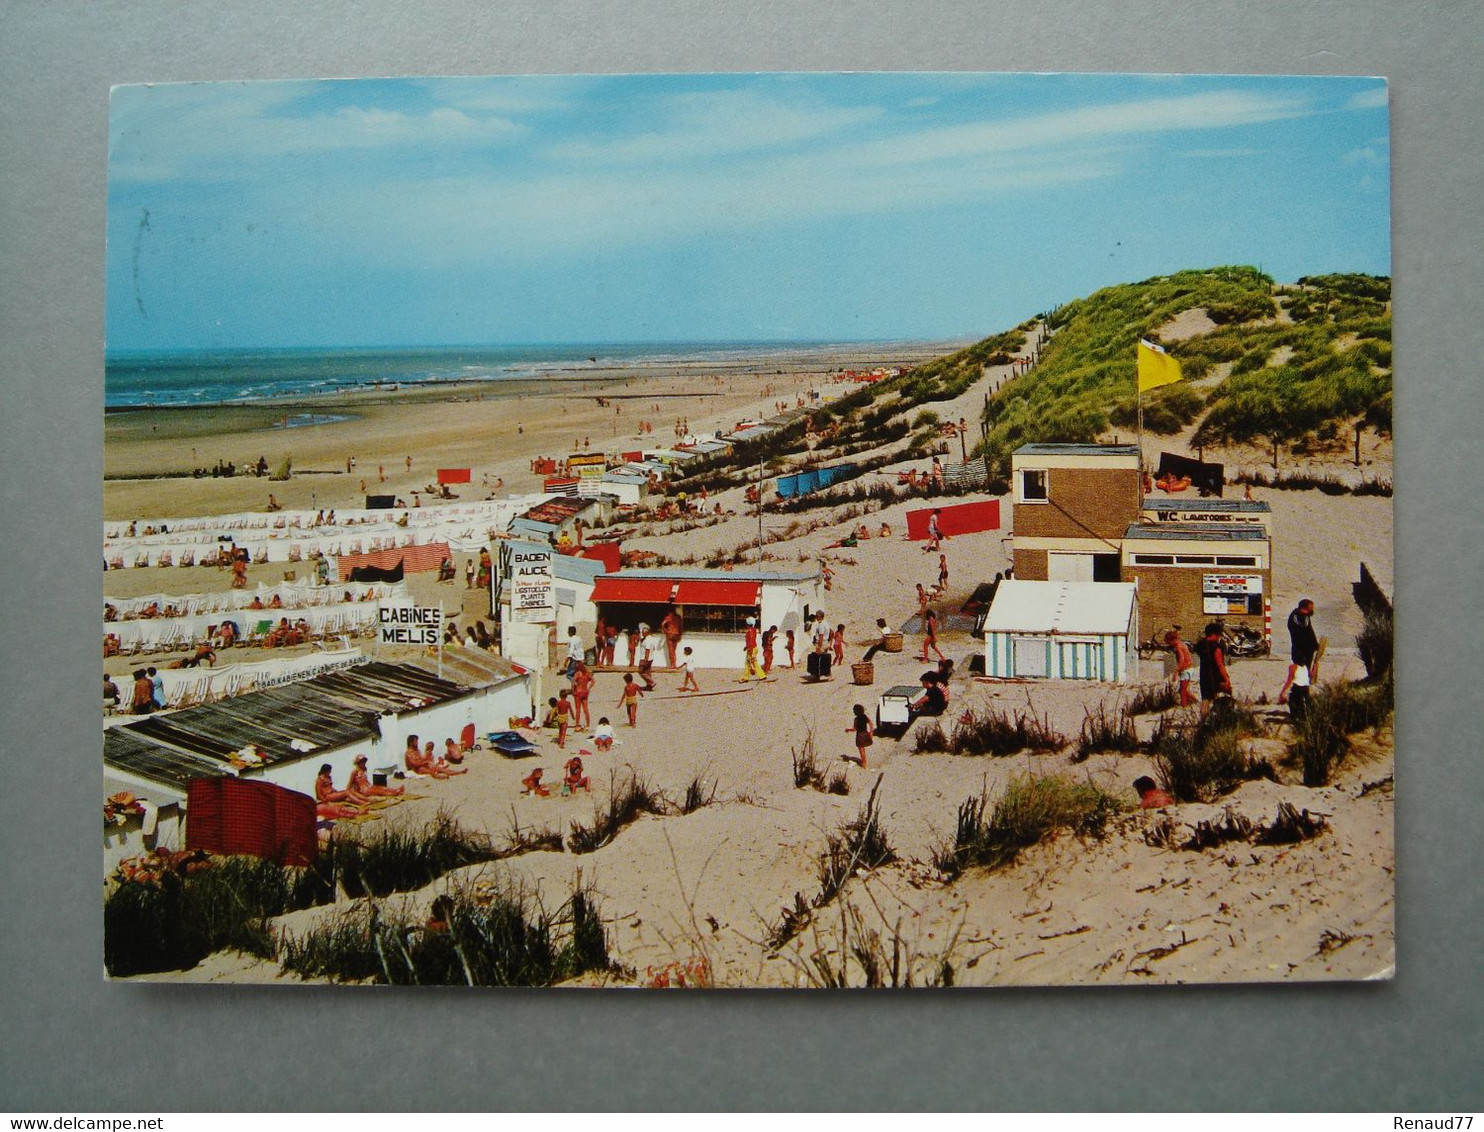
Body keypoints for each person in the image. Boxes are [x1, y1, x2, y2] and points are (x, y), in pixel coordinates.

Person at [1277, 599, 1319, 705]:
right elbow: (1301, 634)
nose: (1311, 612)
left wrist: (1315, 645)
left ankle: (1305, 697)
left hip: (1308, 651)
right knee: (1298, 676)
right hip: (1299, 652)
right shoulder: (1295, 617)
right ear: (1303, 608)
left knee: (1306, 676)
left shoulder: (1305, 617)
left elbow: (1309, 631)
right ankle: (1297, 699)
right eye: (1309, 609)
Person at [1192, 622, 1232, 716]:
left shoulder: (1201, 645)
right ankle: (1221, 718)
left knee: (1205, 700)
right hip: (1216, 676)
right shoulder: (1216, 648)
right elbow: (1220, 665)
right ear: (1214, 634)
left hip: (1204, 676)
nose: (1219, 637)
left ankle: (1204, 720)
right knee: (1225, 696)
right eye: (1218, 635)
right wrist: (1226, 679)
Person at [1166, 630, 1197, 707]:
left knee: (1183, 691)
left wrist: (1176, 673)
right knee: (1183, 690)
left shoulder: (1178, 647)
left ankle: (1184, 705)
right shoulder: (1182, 644)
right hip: (1189, 668)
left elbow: (1181, 660)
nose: (1169, 644)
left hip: (1185, 670)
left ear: (1173, 640)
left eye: (1168, 642)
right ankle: (1194, 701)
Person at [848, 704, 874, 768]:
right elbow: (871, 723)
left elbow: (854, 729)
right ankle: (864, 763)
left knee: (862, 751)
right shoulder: (865, 716)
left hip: (860, 736)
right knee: (863, 750)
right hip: (865, 734)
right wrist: (871, 732)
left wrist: (848, 729)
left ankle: (864, 764)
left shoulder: (856, 719)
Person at [570, 661, 594, 729]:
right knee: (586, 709)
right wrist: (589, 688)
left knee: (578, 709)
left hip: (578, 692)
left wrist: (572, 691)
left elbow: (573, 682)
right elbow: (593, 681)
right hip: (585, 691)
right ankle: (588, 725)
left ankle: (577, 725)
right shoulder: (587, 673)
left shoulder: (577, 673)